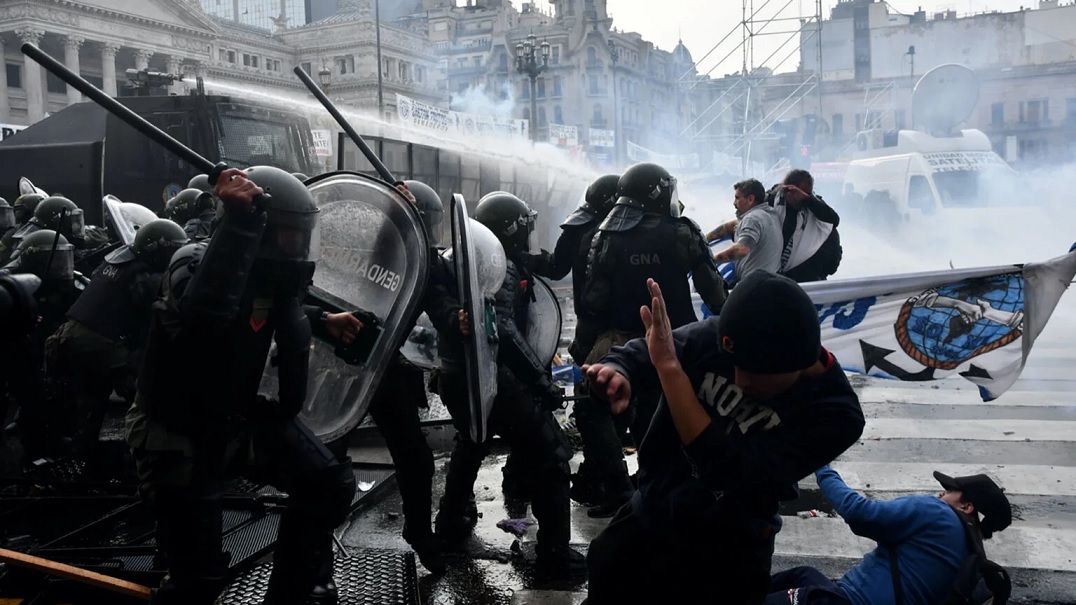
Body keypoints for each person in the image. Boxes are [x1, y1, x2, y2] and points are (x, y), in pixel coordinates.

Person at [125, 167, 364, 604]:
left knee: (328, 485)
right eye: (291, 235)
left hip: (235, 418)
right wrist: (239, 225)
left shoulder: (272, 279)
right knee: (197, 580)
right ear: (266, 230)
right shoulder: (193, 260)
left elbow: (258, 306)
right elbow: (208, 316)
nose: (299, 248)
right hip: (177, 431)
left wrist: (319, 320)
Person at [583, 271, 865, 604]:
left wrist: (671, 372)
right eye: (732, 364)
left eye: (753, 371)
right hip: (653, 512)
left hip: (730, 549)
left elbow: (727, 471)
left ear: (799, 364)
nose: (739, 379)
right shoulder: (719, 337)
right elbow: (644, 353)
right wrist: (616, 372)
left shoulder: (835, 414)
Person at [433, 191, 585, 578]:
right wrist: (538, 379)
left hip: (458, 376)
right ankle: (554, 557)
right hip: (491, 378)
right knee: (552, 456)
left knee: (473, 440)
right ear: (510, 231)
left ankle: (450, 526)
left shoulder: (468, 258)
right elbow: (500, 327)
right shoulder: (497, 266)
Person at [581, 162, 727, 517]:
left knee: (599, 414)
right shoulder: (682, 232)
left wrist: (583, 350)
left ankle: (623, 491)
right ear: (659, 194)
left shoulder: (607, 236)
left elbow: (593, 302)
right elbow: (715, 294)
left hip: (621, 345)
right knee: (675, 423)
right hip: (679, 345)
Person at [364, 179, 452, 574]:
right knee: (324, 473)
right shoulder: (383, 249)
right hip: (346, 364)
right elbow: (381, 254)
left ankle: (419, 532)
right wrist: (396, 214)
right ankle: (313, 566)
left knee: (416, 459)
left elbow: (443, 287)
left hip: (388, 371)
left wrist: (457, 321)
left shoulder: (427, 261)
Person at [47, 219, 190, 460]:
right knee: (146, 391)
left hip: (70, 337)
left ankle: (84, 453)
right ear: (158, 250)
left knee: (92, 397)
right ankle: (154, 454)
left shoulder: (116, 261)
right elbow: (158, 317)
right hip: (97, 343)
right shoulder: (142, 276)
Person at [765, 469, 1013, 605]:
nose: (941, 493)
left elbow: (860, 513)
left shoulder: (940, 515)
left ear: (967, 507)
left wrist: (823, 468)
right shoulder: (971, 553)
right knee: (803, 575)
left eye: (950, 490)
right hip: (846, 594)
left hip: (850, 601)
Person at [517, 173, 619, 503]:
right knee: (607, 408)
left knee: (590, 405)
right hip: (621, 332)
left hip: (589, 332)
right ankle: (608, 483)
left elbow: (556, 266)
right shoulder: (626, 234)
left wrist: (521, 258)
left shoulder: (578, 229)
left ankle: (595, 477)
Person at [768, 169, 842, 283]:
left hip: (807, 278)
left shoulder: (815, 211)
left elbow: (834, 220)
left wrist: (809, 199)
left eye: (807, 194)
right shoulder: (771, 202)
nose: (802, 198)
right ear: (788, 191)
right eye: (800, 194)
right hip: (772, 272)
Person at [707, 178, 782, 284]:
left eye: (737, 198)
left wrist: (710, 261)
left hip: (756, 285)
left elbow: (741, 249)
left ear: (750, 199)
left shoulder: (753, 218)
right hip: (772, 280)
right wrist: (705, 238)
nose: (734, 203)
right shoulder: (768, 213)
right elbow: (733, 225)